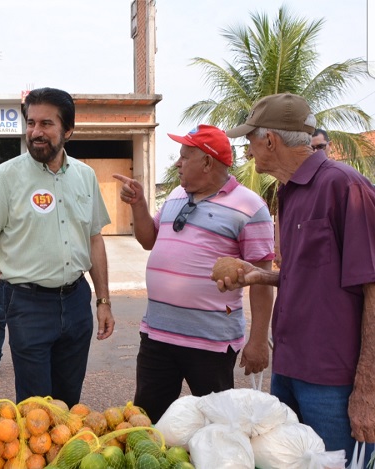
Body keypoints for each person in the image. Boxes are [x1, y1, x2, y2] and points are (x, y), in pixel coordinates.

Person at [217, 92, 375, 462]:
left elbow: (371, 285)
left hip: (333, 378)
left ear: (269, 140)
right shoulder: (288, 193)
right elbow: (313, 273)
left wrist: (368, 385)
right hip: (289, 365)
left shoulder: (345, 187)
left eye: (250, 141)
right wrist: (261, 276)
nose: (248, 151)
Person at [113, 124, 274, 423]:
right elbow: (149, 239)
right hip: (158, 336)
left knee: (215, 427)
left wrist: (258, 340)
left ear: (208, 162)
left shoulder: (250, 208)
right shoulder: (176, 195)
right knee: (146, 424)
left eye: (185, 157)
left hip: (210, 343)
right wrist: (139, 204)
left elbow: (262, 282)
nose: (177, 163)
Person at [0, 87, 115, 408]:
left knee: (68, 403)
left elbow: (94, 239)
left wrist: (103, 300)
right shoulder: (5, 176)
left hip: (77, 303)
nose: (36, 132)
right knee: (36, 410)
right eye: (31, 123)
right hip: (27, 305)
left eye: (47, 124)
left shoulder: (86, 176)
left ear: (68, 131)